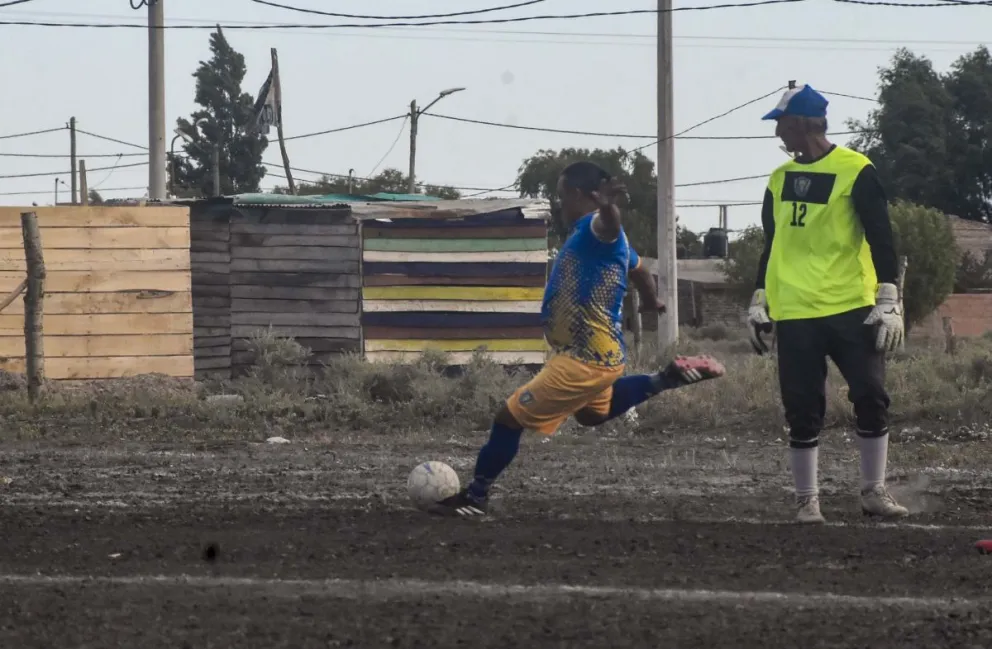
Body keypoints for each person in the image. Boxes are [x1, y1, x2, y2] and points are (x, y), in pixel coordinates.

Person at [431, 161, 726, 517]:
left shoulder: (595, 229)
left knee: (508, 418)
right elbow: (639, 269)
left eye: (561, 196)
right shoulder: (593, 237)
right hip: (601, 355)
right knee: (590, 416)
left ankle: (475, 498)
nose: (559, 205)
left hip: (584, 358)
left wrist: (606, 206)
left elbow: (611, 224)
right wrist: (649, 300)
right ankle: (664, 378)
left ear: (577, 194)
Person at [747, 84, 909, 524]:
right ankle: (807, 501)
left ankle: (874, 491)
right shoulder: (778, 179)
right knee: (801, 406)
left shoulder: (857, 170)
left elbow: (880, 236)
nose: (778, 134)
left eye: (781, 125)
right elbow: (771, 242)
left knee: (871, 395)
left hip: (850, 306)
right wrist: (759, 297)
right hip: (795, 309)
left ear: (801, 125)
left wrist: (889, 295)